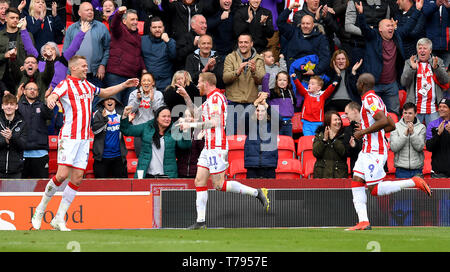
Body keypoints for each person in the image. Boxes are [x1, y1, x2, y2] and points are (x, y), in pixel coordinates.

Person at [31, 55, 139, 231]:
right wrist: (51, 100)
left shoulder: (87, 85)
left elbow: (103, 93)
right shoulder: (65, 84)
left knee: (78, 178)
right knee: (61, 175)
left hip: (84, 138)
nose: (86, 68)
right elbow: (54, 96)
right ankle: (40, 210)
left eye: (87, 66)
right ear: (73, 68)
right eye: (83, 66)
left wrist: (123, 85)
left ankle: (59, 218)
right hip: (69, 136)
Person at [177, 72, 270, 230]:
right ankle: (200, 222)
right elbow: (196, 114)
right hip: (208, 146)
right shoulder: (208, 100)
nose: (197, 85)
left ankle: (257, 193)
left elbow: (214, 123)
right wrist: (186, 97)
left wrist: (190, 126)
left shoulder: (217, 98)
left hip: (217, 146)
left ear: (207, 83)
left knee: (219, 184)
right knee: (199, 181)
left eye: (199, 82)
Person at [347, 73, 431, 231]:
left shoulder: (370, 99)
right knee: (356, 180)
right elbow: (391, 125)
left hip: (374, 150)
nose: (356, 84)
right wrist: (369, 131)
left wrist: (364, 132)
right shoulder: (375, 99)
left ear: (363, 84)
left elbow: (384, 121)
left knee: (375, 189)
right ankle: (363, 221)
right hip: (366, 150)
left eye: (358, 82)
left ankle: (413, 181)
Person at [354, 0, 423, 116]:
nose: (391, 27)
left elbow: (409, 25)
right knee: (373, 116)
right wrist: (361, 14)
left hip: (391, 85)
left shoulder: (397, 36)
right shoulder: (373, 37)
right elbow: (364, 28)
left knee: (393, 115)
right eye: (388, 25)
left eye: (392, 25)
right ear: (380, 29)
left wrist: (418, 10)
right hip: (374, 85)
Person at [121, 105, 192, 178]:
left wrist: (186, 131)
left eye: (169, 116)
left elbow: (185, 146)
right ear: (157, 118)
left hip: (167, 176)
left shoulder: (174, 129)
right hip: (147, 175)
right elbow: (127, 130)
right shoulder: (147, 127)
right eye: (164, 116)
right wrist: (125, 115)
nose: (167, 119)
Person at [63, 2, 110, 97]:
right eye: (87, 10)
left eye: (91, 10)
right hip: (76, 74)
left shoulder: (101, 27)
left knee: (95, 101)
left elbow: (108, 48)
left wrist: (102, 65)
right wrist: (68, 72)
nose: (90, 12)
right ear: (79, 13)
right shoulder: (71, 28)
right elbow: (65, 52)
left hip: (95, 73)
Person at [222, 33, 266, 134]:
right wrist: (237, 71)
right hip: (233, 101)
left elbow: (261, 80)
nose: (243, 45)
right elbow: (225, 78)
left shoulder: (259, 59)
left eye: (246, 42)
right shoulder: (230, 57)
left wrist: (254, 71)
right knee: (230, 134)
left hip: (251, 103)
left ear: (251, 44)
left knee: (250, 135)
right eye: (240, 42)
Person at [401, 38, 449, 126]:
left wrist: (436, 68)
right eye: (420, 48)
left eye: (425, 48)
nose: (422, 51)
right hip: (414, 109)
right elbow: (404, 83)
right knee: (414, 136)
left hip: (433, 108)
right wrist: (412, 69)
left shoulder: (438, 61)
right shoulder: (409, 62)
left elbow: (445, 80)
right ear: (417, 50)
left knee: (434, 135)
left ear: (430, 50)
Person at [105, 7, 146, 106]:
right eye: (132, 19)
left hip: (132, 77)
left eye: (136, 19)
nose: (135, 22)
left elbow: (138, 55)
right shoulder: (119, 31)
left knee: (129, 108)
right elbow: (114, 25)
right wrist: (118, 13)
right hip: (116, 76)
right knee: (114, 106)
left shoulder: (138, 36)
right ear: (124, 21)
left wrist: (143, 69)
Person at [277, 3, 330, 77]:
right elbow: (280, 23)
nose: (305, 26)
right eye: (303, 23)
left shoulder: (320, 38)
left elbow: (325, 58)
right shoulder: (294, 32)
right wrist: (289, 9)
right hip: (293, 71)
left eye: (308, 24)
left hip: (311, 74)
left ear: (313, 25)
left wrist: (315, 71)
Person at [17, 80, 52, 179]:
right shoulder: (18, 105)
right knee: (20, 187)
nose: (32, 91)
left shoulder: (42, 105)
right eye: (30, 89)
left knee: (41, 186)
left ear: (38, 92)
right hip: (21, 153)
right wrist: (17, 97)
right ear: (24, 91)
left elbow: (50, 115)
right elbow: (8, 113)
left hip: (40, 153)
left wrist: (46, 100)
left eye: (35, 89)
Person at [127, 72, 165, 156]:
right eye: (144, 80)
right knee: (141, 158)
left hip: (154, 131)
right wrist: (137, 100)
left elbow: (161, 112)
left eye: (149, 80)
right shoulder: (134, 94)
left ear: (153, 83)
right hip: (139, 130)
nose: (146, 82)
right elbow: (130, 111)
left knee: (154, 158)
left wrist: (152, 100)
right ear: (141, 83)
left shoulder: (158, 94)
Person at [92, 96, 128, 178]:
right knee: (100, 187)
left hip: (119, 157)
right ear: (103, 103)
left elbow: (127, 132)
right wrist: (105, 119)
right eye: (106, 99)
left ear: (116, 102)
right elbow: (95, 131)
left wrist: (127, 119)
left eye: (112, 99)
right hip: (101, 158)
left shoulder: (121, 113)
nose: (109, 101)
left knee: (122, 186)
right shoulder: (98, 114)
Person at [243, 95, 278, 178]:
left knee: (270, 190)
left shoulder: (273, 125)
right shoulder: (249, 124)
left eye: (263, 110)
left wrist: (266, 105)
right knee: (251, 190)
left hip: (269, 165)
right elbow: (244, 117)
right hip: (252, 165)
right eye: (257, 110)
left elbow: (278, 118)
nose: (260, 113)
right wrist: (255, 103)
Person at [389, 102, 426, 178]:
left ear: (415, 114)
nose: (407, 115)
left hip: (417, 170)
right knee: (402, 190)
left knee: (417, 191)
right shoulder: (395, 126)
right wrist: (405, 134)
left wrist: (412, 133)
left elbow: (419, 147)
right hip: (401, 170)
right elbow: (394, 147)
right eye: (405, 113)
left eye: (410, 113)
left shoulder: (422, 127)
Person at [141, 16, 176, 91]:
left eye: (159, 27)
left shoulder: (170, 41)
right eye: (154, 27)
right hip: (148, 82)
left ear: (163, 28)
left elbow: (174, 56)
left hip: (165, 82)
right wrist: (143, 68)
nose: (157, 29)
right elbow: (137, 56)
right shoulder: (142, 40)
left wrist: (168, 42)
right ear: (150, 28)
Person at [0, 8, 30, 95]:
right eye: (12, 18)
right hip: (2, 77)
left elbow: (32, 54)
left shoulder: (26, 35)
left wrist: (27, 65)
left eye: (17, 18)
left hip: (22, 76)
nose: (15, 20)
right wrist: (5, 55)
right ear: (5, 18)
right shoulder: (0, 36)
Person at [312, 110, 349, 178]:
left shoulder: (345, 135)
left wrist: (334, 140)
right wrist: (324, 140)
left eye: (339, 119)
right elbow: (316, 153)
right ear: (328, 122)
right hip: (322, 175)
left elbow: (345, 153)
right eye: (335, 120)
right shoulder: (320, 135)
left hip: (339, 174)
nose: (338, 122)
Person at [0, 93, 26, 178]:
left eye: (12, 104)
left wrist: (12, 138)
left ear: (16, 106)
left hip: (16, 170)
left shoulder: (23, 123)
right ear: (2, 106)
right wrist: (5, 140)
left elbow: (23, 145)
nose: (9, 107)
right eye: (6, 104)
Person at [264, 71, 295, 136]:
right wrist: (266, 78)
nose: (282, 82)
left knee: (288, 143)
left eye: (284, 80)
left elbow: (295, 103)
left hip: (288, 123)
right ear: (276, 81)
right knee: (277, 142)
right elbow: (265, 91)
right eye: (280, 80)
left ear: (288, 82)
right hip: (276, 123)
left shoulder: (290, 92)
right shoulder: (272, 91)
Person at [425, 98, 450, 178]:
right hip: (438, 172)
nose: (441, 109)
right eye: (440, 107)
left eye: (444, 107)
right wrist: (438, 134)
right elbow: (429, 147)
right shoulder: (432, 125)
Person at [422, 0, 450, 67]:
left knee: (444, 74)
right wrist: (436, 5)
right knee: (431, 73)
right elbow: (424, 13)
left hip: (446, 46)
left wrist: (448, 8)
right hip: (431, 46)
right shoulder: (427, 1)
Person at [343, 101, 363, 171]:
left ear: (354, 111)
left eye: (347, 113)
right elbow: (346, 152)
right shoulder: (347, 130)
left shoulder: (372, 125)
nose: (346, 116)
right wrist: (353, 146)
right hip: (357, 169)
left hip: (375, 167)